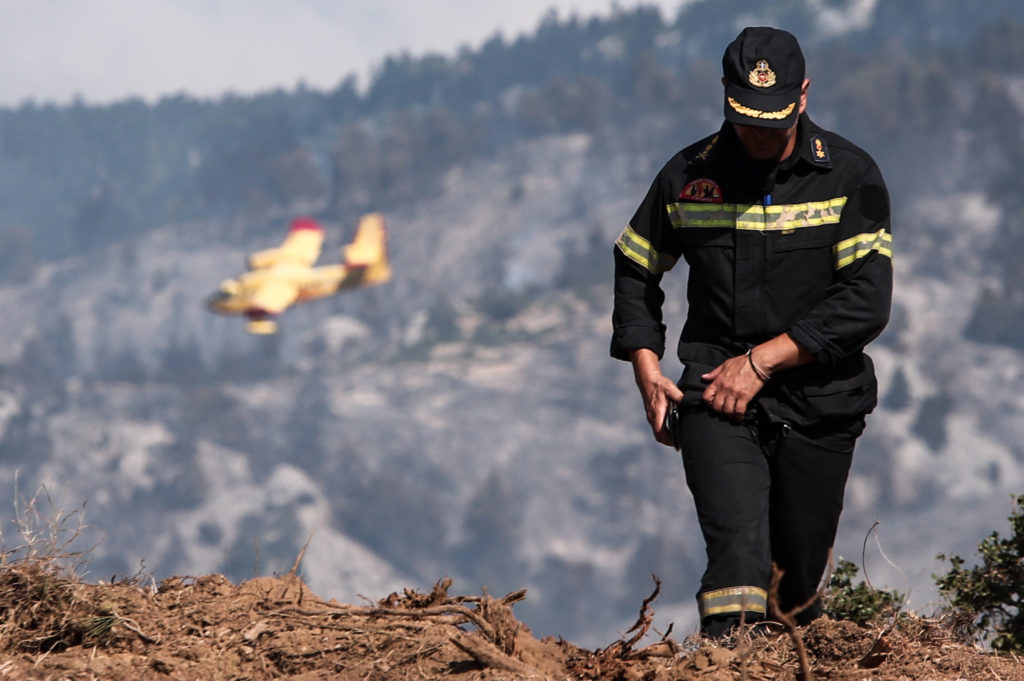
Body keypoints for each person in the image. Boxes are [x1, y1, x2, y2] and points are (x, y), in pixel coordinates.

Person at [610, 26, 892, 638]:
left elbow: (867, 301)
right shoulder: (687, 175)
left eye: (774, 118)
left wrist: (762, 362)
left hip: (820, 402)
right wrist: (645, 365)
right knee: (736, 561)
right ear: (725, 98)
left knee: (791, 589)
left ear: (805, 95)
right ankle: (724, 667)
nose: (760, 134)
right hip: (715, 392)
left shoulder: (848, 175)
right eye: (746, 118)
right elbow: (636, 266)